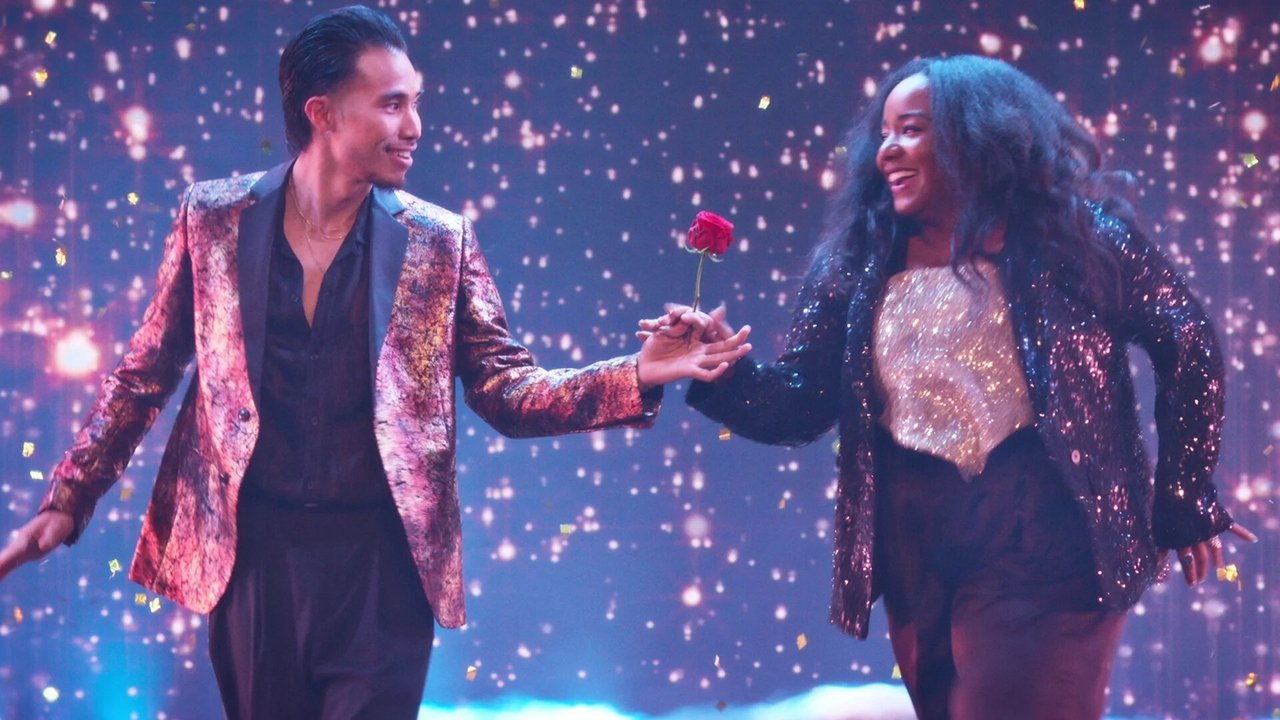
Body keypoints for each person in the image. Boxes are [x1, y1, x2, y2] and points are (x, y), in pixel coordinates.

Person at [0, 6, 750, 719]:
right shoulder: (213, 218)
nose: (414, 127)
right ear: (322, 113)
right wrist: (71, 496)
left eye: (415, 104)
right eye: (392, 105)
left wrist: (636, 373)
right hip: (250, 560)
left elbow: (504, 388)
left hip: (382, 570)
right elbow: (144, 374)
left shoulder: (440, 241)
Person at [642, 55, 1256, 719]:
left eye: (911, 130)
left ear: (978, 136)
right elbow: (799, 403)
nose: (888, 150)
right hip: (917, 546)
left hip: (1049, 534)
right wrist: (720, 367)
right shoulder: (858, 261)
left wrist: (1184, 493)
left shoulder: (1074, 238)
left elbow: (1187, 340)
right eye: (883, 134)